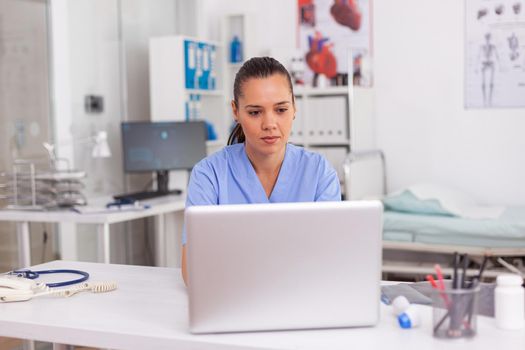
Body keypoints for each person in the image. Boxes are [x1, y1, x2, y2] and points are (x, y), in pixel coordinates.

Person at [181, 57, 341, 285]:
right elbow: (193, 270)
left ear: (294, 107)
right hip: (231, 301)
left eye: (281, 109)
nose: (270, 123)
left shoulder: (318, 172)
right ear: (235, 111)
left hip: (303, 299)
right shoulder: (209, 175)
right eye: (255, 112)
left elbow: (331, 260)